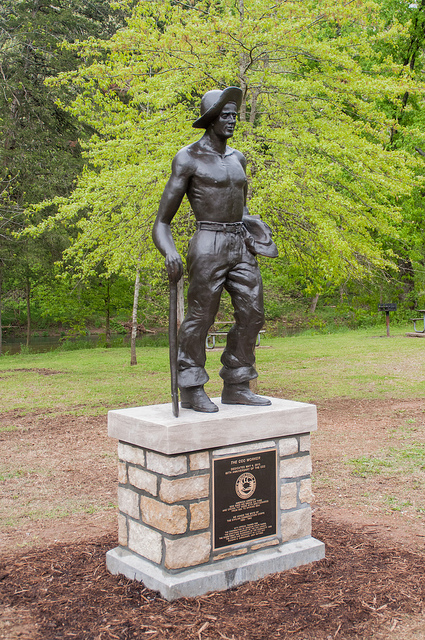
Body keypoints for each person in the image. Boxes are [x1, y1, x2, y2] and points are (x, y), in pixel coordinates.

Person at [152, 87, 277, 413]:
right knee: (201, 316)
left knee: (253, 313)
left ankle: (237, 382)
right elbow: (162, 222)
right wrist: (169, 252)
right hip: (207, 243)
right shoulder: (188, 158)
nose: (233, 120)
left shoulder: (238, 158)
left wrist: (256, 226)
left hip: (240, 243)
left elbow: (240, 206)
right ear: (211, 120)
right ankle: (192, 386)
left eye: (235, 115)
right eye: (226, 115)